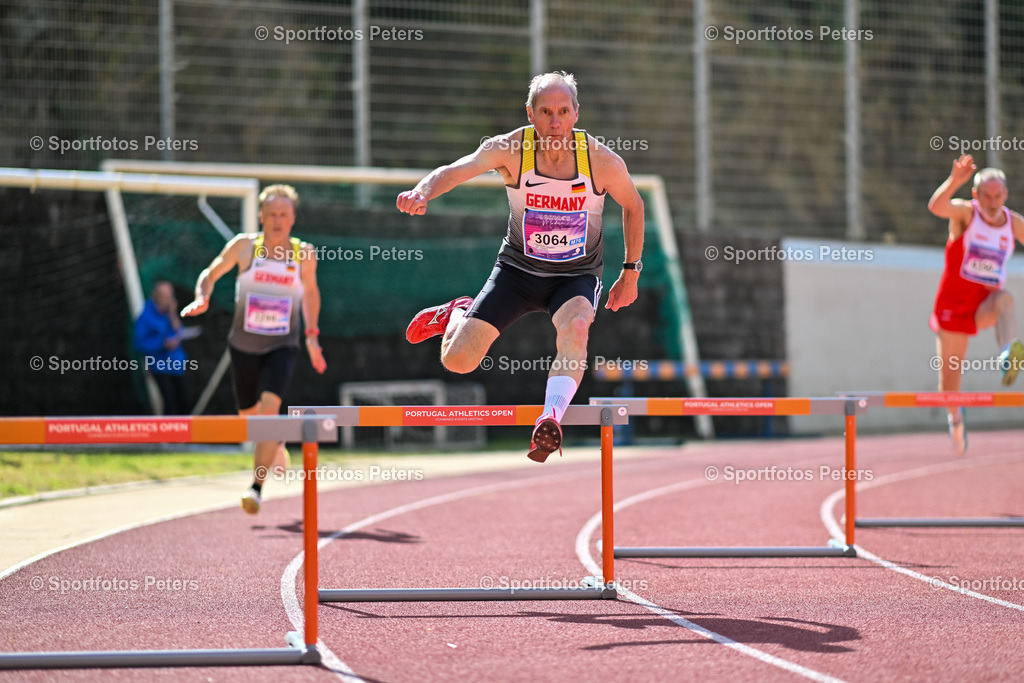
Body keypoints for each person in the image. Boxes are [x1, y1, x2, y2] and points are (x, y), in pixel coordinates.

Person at [396, 71, 644, 463]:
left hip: (574, 276)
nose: (555, 123)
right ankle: (457, 313)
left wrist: (630, 272)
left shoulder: (600, 160)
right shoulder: (511, 149)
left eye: (563, 111)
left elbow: (634, 205)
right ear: (530, 113)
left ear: (577, 114)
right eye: (545, 112)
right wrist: (423, 191)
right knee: (458, 362)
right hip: (517, 271)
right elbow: (456, 170)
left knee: (578, 325)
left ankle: (550, 417)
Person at [181, 184, 327, 513]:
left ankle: (256, 487)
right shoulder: (245, 247)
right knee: (250, 419)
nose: (277, 220)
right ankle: (274, 443)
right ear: (261, 216)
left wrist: (312, 336)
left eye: (283, 214)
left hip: (282, 345)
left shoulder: (304, 254)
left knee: (269, 411)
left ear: (293, 218)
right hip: (244, 346)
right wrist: (202, 295)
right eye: (271, 214)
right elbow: (211, 272)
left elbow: (312, 294)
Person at [927, 154, 1024, 455]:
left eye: (998, 196)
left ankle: (1008, 353)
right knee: (949, 388)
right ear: (976, 196)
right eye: (986, 196)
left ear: (1005, 195)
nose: (993, 203)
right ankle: (955, 420)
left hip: (984, 305)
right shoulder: (966, 216)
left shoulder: (1013, 223)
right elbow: (936, 207)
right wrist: (954, 181)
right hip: (952, 309)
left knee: (1006, 299)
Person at [134, 280, 192, 415]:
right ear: (155, 296)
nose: (168, 300)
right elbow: (139, 343)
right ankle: (168, 435)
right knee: (169, 402)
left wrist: (173, 314)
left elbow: (179, 331)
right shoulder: (145, 316)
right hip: (159, 364)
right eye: (165, 297)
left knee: (184, 401)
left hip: (177, 363)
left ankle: (187, 435)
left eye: (170, 297)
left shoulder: (169, 314)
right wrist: (162, 344)